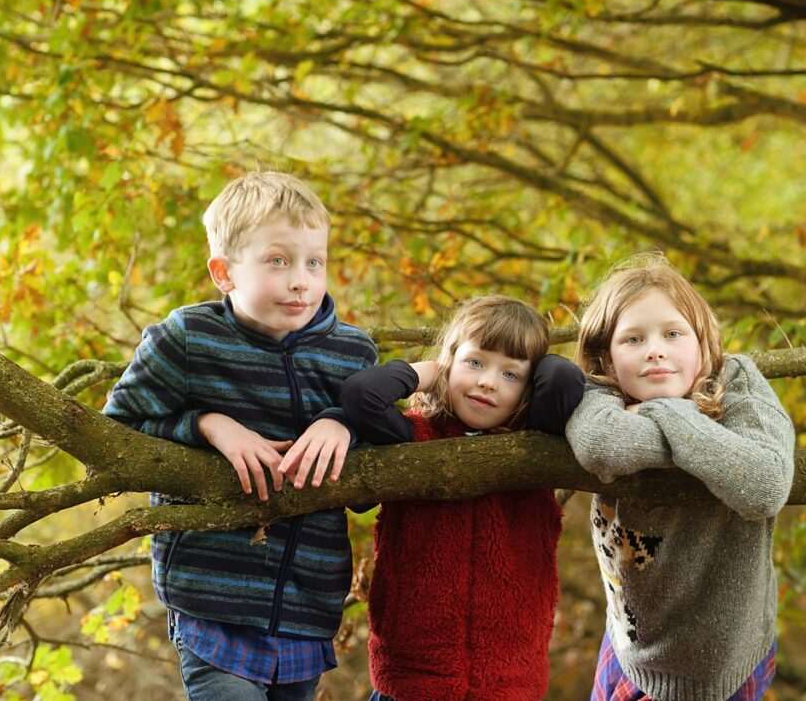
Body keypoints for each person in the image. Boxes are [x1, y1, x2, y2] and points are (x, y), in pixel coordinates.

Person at [103, 170, 378, 701]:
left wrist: (341, 421)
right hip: (212, 598)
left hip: (307, 601)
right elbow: (115, 433)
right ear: (224, 272)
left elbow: (379, 466)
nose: (301, 279)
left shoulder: (353, 355)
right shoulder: (185, 339)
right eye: (279, 261)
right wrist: (208, 425)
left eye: (313, 262)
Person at [566, 252, 795, 701]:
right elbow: (602, 444)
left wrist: (667, 410)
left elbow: (764, 485)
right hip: (630, 645)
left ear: (705, 346)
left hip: (723, 660)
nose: (655, 349)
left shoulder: (738, 382)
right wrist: (703, 438)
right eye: (632, 338)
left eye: (673, 333)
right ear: (607, 359)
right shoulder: (597, 392)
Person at [333, 294, 585, 701]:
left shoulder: (535, 446)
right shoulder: (414, 437)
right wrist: (430, 372)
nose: (487, 381)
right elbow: (362, 396)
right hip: (412, 679)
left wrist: (539, 363)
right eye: (475, 363)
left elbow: (564, 382)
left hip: (507, 683)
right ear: (449, 361)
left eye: (511, 374)